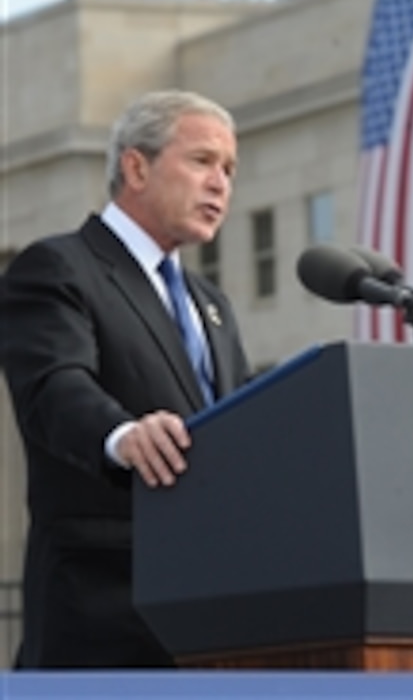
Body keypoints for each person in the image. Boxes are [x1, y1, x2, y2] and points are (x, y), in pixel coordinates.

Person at [1, 90, 251, 669]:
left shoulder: (212, 305)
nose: (221, 184)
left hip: (213, 620)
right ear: (136, 166)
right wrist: (123, 436)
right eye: (202, 161)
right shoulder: (59, 268)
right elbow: (55, 386)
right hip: (103, 615)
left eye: (230, 170)